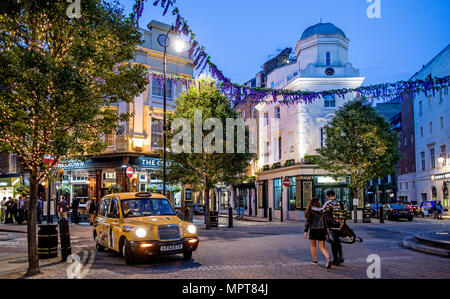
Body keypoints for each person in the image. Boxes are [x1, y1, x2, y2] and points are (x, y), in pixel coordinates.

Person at [312, 190, 349, 266]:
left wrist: (314, 208)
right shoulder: (341, 203)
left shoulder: (329, 203)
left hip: (333, 226)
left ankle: (336, 259)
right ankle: (341, 257)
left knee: (333, 242)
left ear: (327, 196)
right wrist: (342, 221)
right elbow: (347, 213)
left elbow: (322, 210)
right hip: (341, 225)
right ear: (334, 195)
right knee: (338, 241)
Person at [304, 197, 332, 269]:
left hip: (313, 230)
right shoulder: (322, 211)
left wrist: (306, 231)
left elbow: (308, 222)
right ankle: (328, 259)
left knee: (313, 246)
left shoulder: (310, 211)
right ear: (318, 202)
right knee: (322, 246)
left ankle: (315, 261)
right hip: (321, 229)